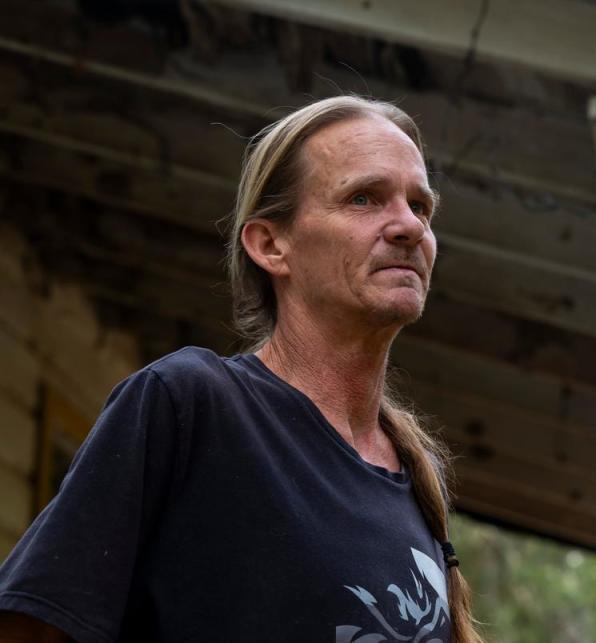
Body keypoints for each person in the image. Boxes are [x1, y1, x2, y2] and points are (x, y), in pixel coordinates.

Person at [0, 96, 482, 643]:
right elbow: (30, 627)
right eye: (364, 198)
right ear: (271, 245)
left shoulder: (415, 478)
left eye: (420, 206)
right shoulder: (191, 405)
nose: (407, 227)